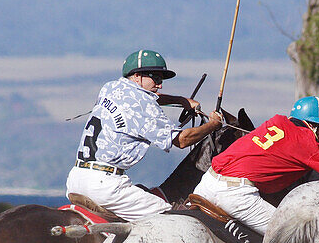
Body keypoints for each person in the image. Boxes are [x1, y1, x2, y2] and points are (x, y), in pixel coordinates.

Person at [65, 49, 222, 221]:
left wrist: (180, 100)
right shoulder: (145, 106)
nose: (160, 84)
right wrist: (213, 124)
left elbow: (145, 97)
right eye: (156, 78)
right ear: (138, 76)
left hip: (76, 179)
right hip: (105, 186)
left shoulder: (110, 88)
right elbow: (182, 140)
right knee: (175, 220)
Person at [193, 95, 319, 235]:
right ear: (313, 126)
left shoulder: (276, 121)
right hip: (235, 195)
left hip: (207, 182)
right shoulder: (307, 142)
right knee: (294, 238)